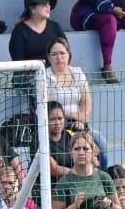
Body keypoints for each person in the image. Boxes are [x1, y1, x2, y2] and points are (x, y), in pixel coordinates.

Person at [46, 37, 110, 168]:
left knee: (101, 144)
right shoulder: (45, 76)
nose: (59, 57)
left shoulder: (77, 72)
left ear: (68, 55)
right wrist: (72, 115)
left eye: (62, 53)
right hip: (57, 126)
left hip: (80, 124)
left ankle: (102, 177)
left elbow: (86, 102)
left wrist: (81, 120)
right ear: (49, 57)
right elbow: (49, 106)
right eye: (54, 54)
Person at [72, 0, 125, 83]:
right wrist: (111, 8)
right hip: (89, 11)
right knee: (109, 20)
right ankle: (107, 67)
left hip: (116, 8)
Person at [9, 0, 66, 75]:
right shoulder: (19, 32)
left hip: (55, 76)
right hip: (29, 79)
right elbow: (19, 64)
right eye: (44, 4)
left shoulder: (55, 27)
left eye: (49, 4)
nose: (48, 7)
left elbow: (66, 53)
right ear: (32, 9)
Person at [46, 101, 76, 183]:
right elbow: (53, 169)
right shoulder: (40, 140)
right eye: (52, 119)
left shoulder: (70, 135)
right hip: (52, 186)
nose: (57, 123)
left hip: (73, 183)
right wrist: (79, 174)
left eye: (60, 118)